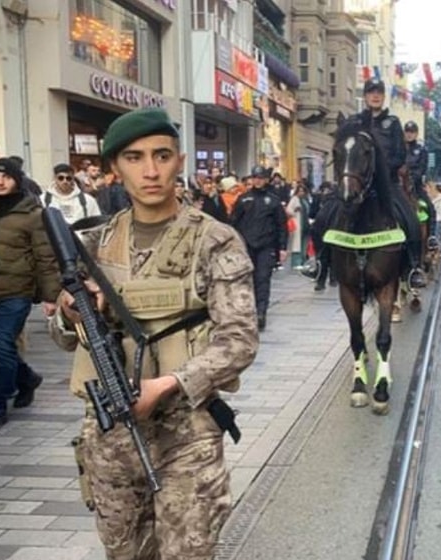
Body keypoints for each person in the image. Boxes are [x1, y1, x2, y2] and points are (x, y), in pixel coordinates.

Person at [47, 107, 257, 559]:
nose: (150, 170)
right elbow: (63, 336)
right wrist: (70, 312)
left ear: (180, 161)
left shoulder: (214, 240)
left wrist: (167, 384)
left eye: (162, 156)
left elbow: (239, 339)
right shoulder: (92, 244)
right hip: (110, 435)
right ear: (114, 169)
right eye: (135, 157)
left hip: (187, 431)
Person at [0, 157, 60, 434]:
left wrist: (50, 295)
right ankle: (27, 378)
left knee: (2, 346)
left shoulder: (32, 213)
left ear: (17, 180)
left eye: (5, 176)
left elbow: (45, 257)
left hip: (16, 292)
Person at [330, 77, 427, 288]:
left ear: (383, 97)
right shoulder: (355, 121)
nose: (375, 96)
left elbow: (400, 155)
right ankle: (320, 262)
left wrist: (381, 170)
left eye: (379, 92)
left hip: (387, 184)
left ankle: (414, 266)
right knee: (326, 215)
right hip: (358, 183)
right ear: (365, 96)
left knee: (410, 219)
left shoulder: (392, 123)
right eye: (371, 92)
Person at [230, 165, 288, 331]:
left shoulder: (273, 200)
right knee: (247, 279)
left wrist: (282, 248)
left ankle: (261, 312)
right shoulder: (243, 199)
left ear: (266, 180)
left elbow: (281, 225)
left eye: (260, 178)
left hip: (266, 246)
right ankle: (248, 311)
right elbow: (233, 222)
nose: (257, 180)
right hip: (246, 246)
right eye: (255, 177)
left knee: (263, 279)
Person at [403, 121, 437, 227]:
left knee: (430, 208)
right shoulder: (398, 149)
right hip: (397, 184)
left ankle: (431, 237)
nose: (409, 134)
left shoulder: (422, 150)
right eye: (407, 131)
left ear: (416, 134)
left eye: (412, 132)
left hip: (415, 185)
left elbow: (421, 169)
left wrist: (411, 180)